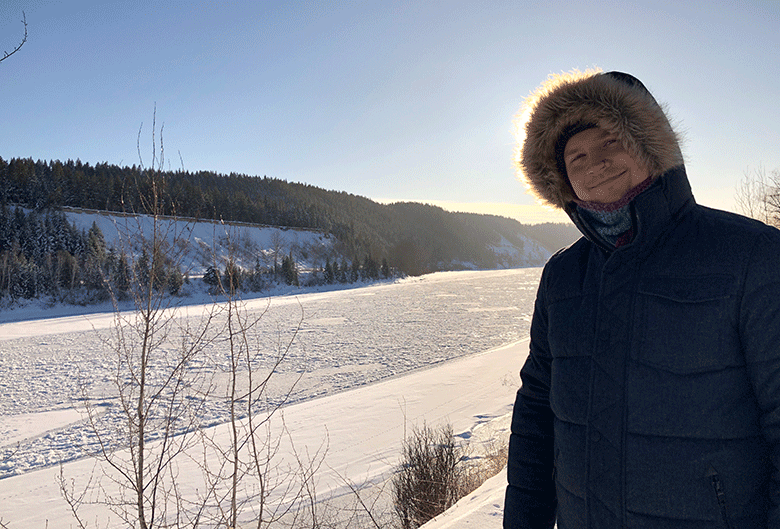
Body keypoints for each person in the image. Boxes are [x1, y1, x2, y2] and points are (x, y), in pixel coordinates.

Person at [504, 69, 780, 528]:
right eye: (576, 156)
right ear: (561, 180)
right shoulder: (562, 277)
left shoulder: (752, 257)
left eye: (611, 141)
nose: (596, 163)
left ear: (651, 146)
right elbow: (536, 413)